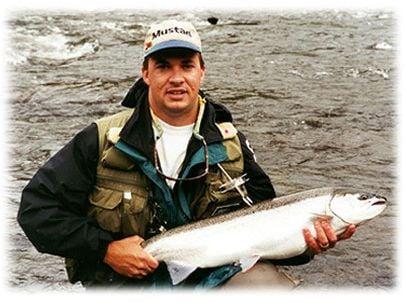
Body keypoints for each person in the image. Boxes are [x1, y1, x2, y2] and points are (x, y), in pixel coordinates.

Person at [17, 20, 356, 289]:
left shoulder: (232, 143)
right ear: (146, 74)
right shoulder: (101, 139)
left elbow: (265, 232)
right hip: (124, 283)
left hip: (211, 280)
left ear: (201, 72)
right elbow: (36, 211)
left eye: (187, 65)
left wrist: (307, 246)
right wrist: (105, 249)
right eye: (163, 66)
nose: (176, 78)